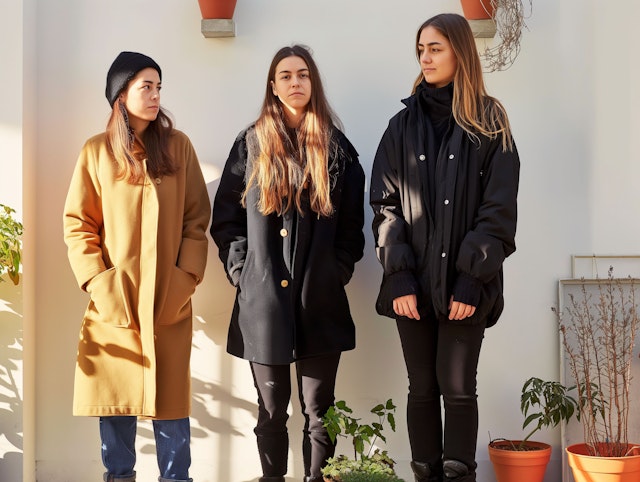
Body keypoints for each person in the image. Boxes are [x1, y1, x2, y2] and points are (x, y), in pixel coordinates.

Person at [370, 14, 520, 482]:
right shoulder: (401, 125)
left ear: (459, 50)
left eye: (434, 47)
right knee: (421, 388)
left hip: (465, 287)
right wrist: (398, 277)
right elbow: (385, 205)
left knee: (457, 389)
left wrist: (471, 280)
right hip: (411, 284)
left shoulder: (490, 122)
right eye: (420, 49)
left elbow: (498, 210)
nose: (425, 57)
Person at [210, 44, 365, 482]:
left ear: (312, 83)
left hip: (320, 302)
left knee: (320, 412)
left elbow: (353, 225)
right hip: (263, 305)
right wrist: (244, 272)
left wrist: (336, 272)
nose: (295, 83)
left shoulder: (336, 148)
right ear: (273, 87)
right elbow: (226, 220)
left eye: (302, 75)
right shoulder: (252, 143)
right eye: (285, 76)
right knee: (272, 411)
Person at [63, 51, 211, 482]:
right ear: (120, 94)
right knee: (115, 409)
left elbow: (196, 220)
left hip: (168, 303)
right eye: (146, 85)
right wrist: (99, 283)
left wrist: (185, 280)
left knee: (171, 412)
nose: (155, 95)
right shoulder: (96, 152)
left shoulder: (178, 146)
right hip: (115, 305)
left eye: (158, 86)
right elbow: (78, 224)